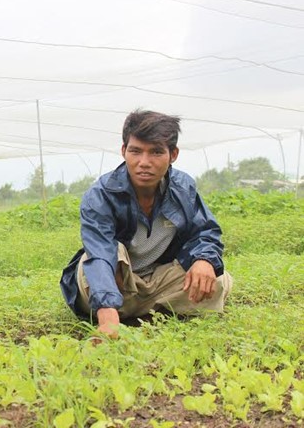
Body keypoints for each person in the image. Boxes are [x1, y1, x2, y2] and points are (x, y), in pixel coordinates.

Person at [60, 110, 233, 340]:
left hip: (157, 280)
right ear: (124, 151)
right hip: (115, 286)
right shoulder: (101, 194)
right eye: (135, 151)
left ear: (173, 154)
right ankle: (127, 312)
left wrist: (203, 259)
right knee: (103, 259)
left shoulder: (182, 188)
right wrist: (107, 317)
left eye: (156, 152)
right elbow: (100, 255)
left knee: (218, 278)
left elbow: (204, 230)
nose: (144, 162)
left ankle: (139, 311)